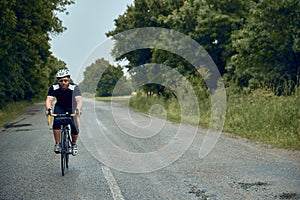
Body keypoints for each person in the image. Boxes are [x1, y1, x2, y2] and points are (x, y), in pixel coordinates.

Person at [45, 69, 83, 156]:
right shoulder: (54, 87)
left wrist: (78, 109)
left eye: (65, 80)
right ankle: (57, 143)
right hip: (60, 106)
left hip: (72, 107)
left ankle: (73, 144)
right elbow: (49, 100)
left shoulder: (74, 87)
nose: (63, 82)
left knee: (74, 126)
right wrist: (49, 109)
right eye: (61, 81)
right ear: (58, 81)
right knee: (56, 122)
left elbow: (79, 100)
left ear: (69, 79)